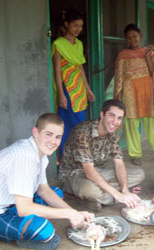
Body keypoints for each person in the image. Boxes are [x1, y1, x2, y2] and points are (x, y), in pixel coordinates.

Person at [0, 113, 94, 250]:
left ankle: (24, 228)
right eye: (48, 134)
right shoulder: (24, 156)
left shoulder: (39, 154)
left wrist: (74, 212)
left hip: (10, 202)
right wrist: (69, 214)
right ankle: (22, 234)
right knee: (45, 232)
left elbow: (43, 190)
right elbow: (24, 209)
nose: (53, 141)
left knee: (56, 193)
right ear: (35, 132)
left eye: (58, 137)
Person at [58, 99, 145, 211]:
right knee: (89, 189)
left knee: (139, 173)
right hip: (74, 175)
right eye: (111, 115)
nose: (115, 122)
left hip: (98, 171)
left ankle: (102, 196)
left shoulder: (114, 133)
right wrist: (118, 195)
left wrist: (125, 190)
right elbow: (89, 171)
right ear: (102, 114)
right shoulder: (82, 132)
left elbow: (119, 163)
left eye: (119, 118)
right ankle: (100, 195)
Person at [114, 23, 154, 166]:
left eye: (134, 36)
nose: (132, 39)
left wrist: (147, 56)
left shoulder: (148, 51)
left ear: (140, 36)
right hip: (130, 92)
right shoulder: (123, 55)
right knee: (131, 124)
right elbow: (119, 76)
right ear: (126, 39)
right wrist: (118, 95)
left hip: (147, 90)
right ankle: (136, 154)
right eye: (129, 38)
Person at [52, 10, 95, 158]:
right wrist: (60, 94)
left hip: (79, 91)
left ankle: (79, 156)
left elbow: (80, 68)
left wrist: (88, 89)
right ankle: (66, 158)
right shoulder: (58, 44)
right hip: (67, 91)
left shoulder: (79, 44)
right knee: (67, 125)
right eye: (75, 25)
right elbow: (57, 71)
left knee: (80, 125)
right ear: (67, 24)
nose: (78, 29)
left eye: (81, 26)